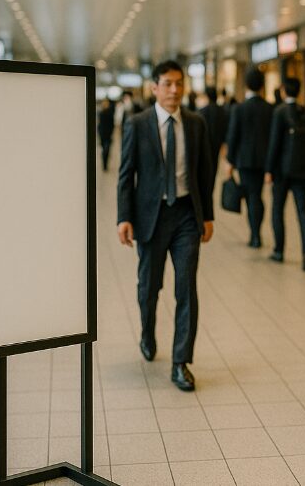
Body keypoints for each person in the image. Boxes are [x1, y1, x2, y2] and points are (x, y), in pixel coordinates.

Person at [117, 60, 215, 392]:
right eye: (168, 84)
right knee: (149, 287)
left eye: (179, 83)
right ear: (155, 87)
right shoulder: (138, 123)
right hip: (151, 217)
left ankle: (180, 363)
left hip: (187, 214)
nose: (174, 90)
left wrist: (208, 216)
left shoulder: (196, 124)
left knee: (186, 287)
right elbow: (125, 175)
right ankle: (147, 331)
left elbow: (205, 173)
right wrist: (124, 217)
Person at [265, 77, 305, 270]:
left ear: (284, 91)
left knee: (278, 209)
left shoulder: (279, 112)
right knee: (303, 211)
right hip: (303, 170)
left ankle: (279, 250)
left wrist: (269, 170)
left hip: (281, 171)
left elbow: (274, 143)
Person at [225, 68, 274, 248]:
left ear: (246, 85)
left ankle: (254, 234)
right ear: (262, 85)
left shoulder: (239, 108)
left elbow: (233, 136)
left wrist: (230, 161)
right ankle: (256, 232)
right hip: (263, 160)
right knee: (256, 194)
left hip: (244, 161)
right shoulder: (270, 109)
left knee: (251, 196)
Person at [198, 87, 228, 167]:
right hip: (217, 143)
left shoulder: (201, 111)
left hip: (205, 144)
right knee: (214, 164)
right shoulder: (222, 111)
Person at [97, 98, 115, 172]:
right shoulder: (101, 113)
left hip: (107, 135)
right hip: (103, 135)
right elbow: (99, 125)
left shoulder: (109, 113)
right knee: (105, 150)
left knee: (106, 150)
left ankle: (105, 165)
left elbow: (112, 125)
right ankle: (104, 165)